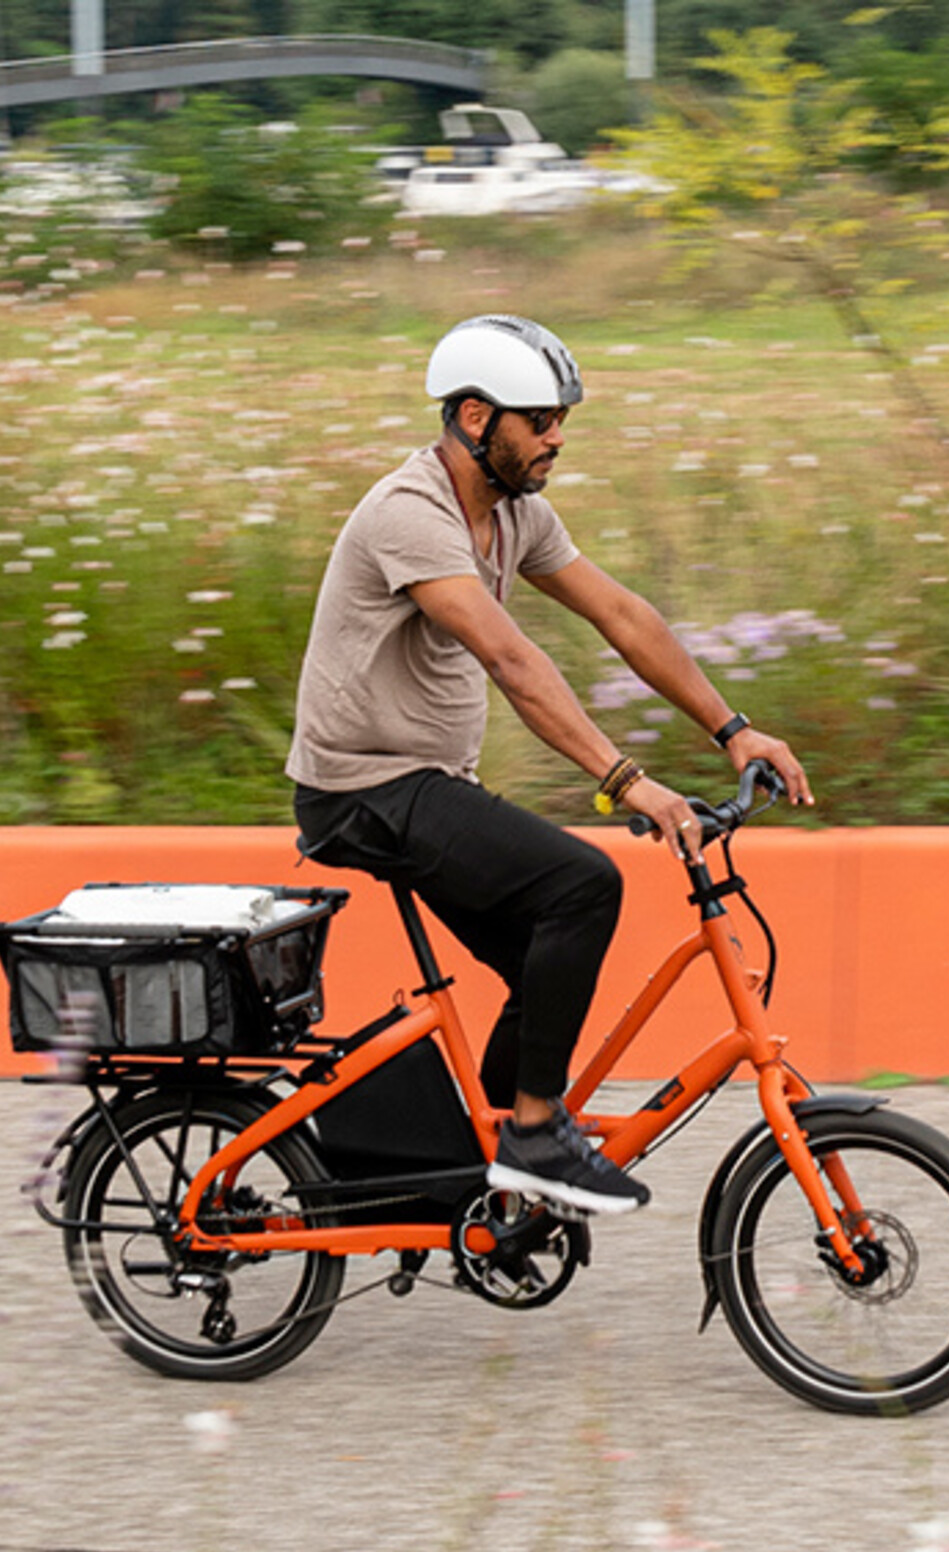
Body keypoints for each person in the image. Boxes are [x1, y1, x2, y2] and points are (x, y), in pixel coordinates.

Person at [288, 314, 812, 1217]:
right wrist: (625, 779)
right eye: (541, 419)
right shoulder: (410, 513)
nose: (558, 437)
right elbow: (512, 657)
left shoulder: (516, 513)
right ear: (475, 417)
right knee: (579, 887)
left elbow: (621, 614)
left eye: (562, 417)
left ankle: (485, 1171)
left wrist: (734, 730)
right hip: (362, 789)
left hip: (425, 784)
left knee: (547, 954)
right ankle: (534, 1135)